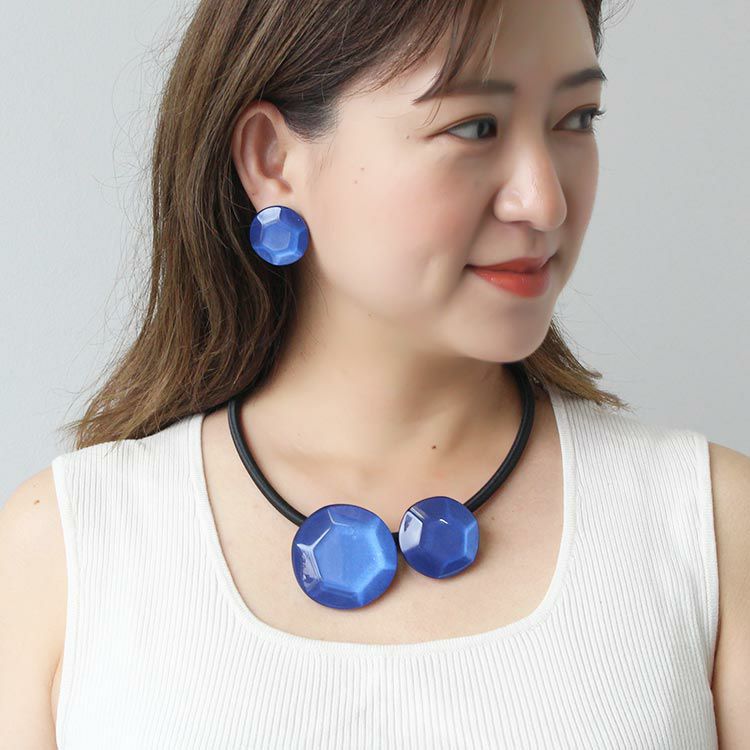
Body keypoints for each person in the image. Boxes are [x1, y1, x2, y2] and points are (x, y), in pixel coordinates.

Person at [2, 0, 748, 747]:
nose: (545, 201)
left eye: (577, 119)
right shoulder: (66, 551)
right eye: (475, 126)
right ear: (273, 160)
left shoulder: (713, 529)